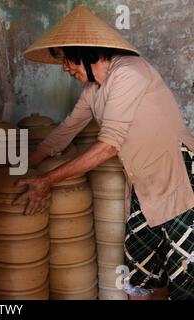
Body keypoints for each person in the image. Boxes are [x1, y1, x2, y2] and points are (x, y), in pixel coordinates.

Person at [15, 5, 194, 300]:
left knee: (183, 273)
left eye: (64, 59)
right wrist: (27, 167)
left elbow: (110, 145)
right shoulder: (93, 90)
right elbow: (66, 130)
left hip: (178, 175)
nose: (64, 68)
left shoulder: (129, 72)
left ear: (86, 53)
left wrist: (47, 181)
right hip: (143, 185)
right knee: (141, 271)